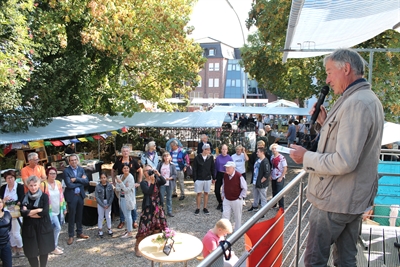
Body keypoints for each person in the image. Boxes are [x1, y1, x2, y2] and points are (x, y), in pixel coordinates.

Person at [290, 48, 384, 267]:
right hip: (350, 198)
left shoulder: (356, 103)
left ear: (347, 69)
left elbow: (344, 160)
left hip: (335, 201)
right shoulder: (364, 98)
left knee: (315, 260)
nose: (327, 79)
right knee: (345, 259)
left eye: (330, 72)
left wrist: (307, 157)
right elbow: (349, 144)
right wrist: (324, 123)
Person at [21, 175, 55, 267]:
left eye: (35, 185)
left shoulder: (44, 197)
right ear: (28, 186)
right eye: (31, 185)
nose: (33, 187)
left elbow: (44, 212)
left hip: (43, 226)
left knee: (44, 249)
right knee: (31, 250)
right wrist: (37, 210)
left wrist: (29, 213)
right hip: (29, 228)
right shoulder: (24, 197)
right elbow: (23, 213)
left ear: (39, 185)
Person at [135, 165, 167, 257]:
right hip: (148, 207)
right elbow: (148, 192)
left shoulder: (156, 178)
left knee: (157, 226)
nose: (148, 172)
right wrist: (152, 183)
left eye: (150, 170)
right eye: (146, 170)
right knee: (144, 227)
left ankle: (154, 245)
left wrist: (158, 174)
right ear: (144, 172)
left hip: (158, 206)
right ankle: (137, 247)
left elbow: (164, 181)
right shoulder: (143, 183)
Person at [112, 145, 142, 230]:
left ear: (129, 152)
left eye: (127, 151)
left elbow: (140, 170)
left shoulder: (133, 161)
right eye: (124, 151)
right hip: (122, 186)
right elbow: (113, 170)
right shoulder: (118, 161)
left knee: (132, 203)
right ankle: (122, 220)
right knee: (122, 204)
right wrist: (114, 181)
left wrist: (138, 182)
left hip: (131, 187)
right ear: (121, 152)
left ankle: (134, 220)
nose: (125, 153)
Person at [63, 154, 89, 245]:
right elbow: (69, 185)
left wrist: (76, 179)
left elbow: (86, 181)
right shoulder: (66, 171)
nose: (73, 162)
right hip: (72, 196)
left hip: (80, 195)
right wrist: (80, 182)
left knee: (79, 215)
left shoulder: (81, 169)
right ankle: (71, 235)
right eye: (71, 160)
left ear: (77, 160)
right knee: (71, 216)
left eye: (75, 160)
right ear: (69, 162)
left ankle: (79, 232)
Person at [40, 167, 67, 255]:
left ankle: (53, 244)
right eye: (51, 173)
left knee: (56, 228)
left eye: (54, 173)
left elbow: (61, 196)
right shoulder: (43, 185)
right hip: (49, 211)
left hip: (58, 209)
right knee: (57, 227)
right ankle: (53, 247)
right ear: (47, 174)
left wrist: (64, 208)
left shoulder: (58, 183)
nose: (53, 175)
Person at [0, 170, 24, 258]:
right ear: (5, 179)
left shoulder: (19, 186)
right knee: (9, 232)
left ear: (15, 178)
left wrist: (17, 202)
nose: (10, 180)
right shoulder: (3, 188)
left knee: (16, 232)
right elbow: (1, 201)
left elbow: (22, 198)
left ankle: (20, 248)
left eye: (11, 178)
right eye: (8, 178)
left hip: (16, 212)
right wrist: (4, 200)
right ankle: (14, 248)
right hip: (5, 213)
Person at [221, 162, 247, 231]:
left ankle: (237, 231)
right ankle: (225, 231)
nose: (226, 169)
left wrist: (240, 197)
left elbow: (244, 188)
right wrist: (223, 194)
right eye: (226, 167)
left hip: (236, 199)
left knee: (237, 216)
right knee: (225, 215)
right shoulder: (225, 175)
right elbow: (224, 185)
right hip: (227, 198)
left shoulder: (239, 176)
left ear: (233, 168)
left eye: (228, 168)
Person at [115, 164, 138, 238]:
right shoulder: (120, 176)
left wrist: (121, 183)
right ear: (122, 169)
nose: (126, 169)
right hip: (121, 197)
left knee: (128, 215)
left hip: (127, 199)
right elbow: (117, 188)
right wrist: (123, 186)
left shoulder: (130, 177)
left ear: (129, 169)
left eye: (127, 168)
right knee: (125, 214)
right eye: (124, 168)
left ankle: (130, 232)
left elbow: (127, 190)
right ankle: (127, 229)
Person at [193, 143, 215, 215]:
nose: (209, 151)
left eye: (209, 149)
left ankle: (205, 207)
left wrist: (213, 177)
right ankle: (198, 208)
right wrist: (195, 179)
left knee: (206, 193)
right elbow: (194, 169)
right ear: (204, 150)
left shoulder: (211, 158)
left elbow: (212, 168)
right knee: (199, 193)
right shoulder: (197, 158)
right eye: (208, 149)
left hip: (207, 178)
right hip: (199, 178)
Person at [248, 148, 270, 212]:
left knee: (263, 197)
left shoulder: (265, 161)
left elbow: (267, 173)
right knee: (255, 195)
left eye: (258, 152)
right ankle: (255, 207)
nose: (256, 153)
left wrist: (261, 181)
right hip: (255, 181)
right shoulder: (257, 159)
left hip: (261, 183)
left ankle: (263, 211)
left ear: (262, 152)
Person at [157, 152, 177, 217]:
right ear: (163, 157)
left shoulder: (172, 165)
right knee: (161, 198)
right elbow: (157, 173)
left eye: (167, 156)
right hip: (162, 183)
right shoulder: (160, 164)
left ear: (170, 157)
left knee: (169, 198)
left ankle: (169, 211)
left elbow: (175, 174)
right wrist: (159, 180)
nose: (166, 157)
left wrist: (171, 178)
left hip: (169, 183)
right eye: (164, 156)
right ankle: (161, 211)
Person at [94, 173, 114, 238]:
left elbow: (112, 195)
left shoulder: (110, 186)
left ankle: (109, 228)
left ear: (106, 178)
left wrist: (109, 204)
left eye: (104, 177)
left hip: (108, 202)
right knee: (101, 216)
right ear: (100, 179)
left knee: (108, 215)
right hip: (101, 203)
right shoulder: (97, 186)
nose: (103, 179)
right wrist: (102, 205)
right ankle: (100, 229)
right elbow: (97, 197)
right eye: (102, 178)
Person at [214, 144, 233, 212]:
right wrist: (214, 177)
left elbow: (232, 168)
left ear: (227, 150)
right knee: (216, 190)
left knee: (225, 190)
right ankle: (220, 202)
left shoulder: (229, 158)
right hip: (219, 174)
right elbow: (215, 167)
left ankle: (225, 204)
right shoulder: (218, 157)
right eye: (223, 149)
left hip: (226, 174)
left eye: (225, 149)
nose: (224, 150)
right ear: (221, 150)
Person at [269, 144, 287, 209]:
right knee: (274, 191)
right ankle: (274, 204)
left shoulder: (282, 157)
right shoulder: (271, 157)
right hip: (273, 175)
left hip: (279, 176)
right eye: (273, 149)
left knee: (280, 191)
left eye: (275, 148)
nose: (274, 150)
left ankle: (281, 206)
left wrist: (281, 177)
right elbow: (272, 167)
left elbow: (285, 168)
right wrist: (270, 175)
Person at [0, 198, 13, 267]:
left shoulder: (7, 214)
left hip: (6, 243)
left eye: (0, 202)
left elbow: (9, 228)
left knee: (8, 264)